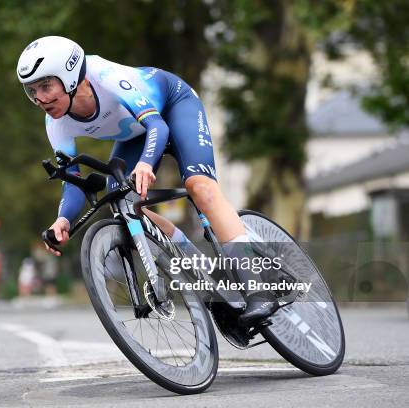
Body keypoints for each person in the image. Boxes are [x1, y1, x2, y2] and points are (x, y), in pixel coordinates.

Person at [16, 36, 278, 326]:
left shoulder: (106, 77)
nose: (39, 98)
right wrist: (63, 219)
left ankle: (259, 287)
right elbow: (73, 181)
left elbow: (157, 126)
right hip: (135, 135)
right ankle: (206, 278)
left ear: (69, 76)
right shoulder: (56, 123)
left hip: (172, 107)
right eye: (32, 91)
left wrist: (145, 164)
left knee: (199, 187)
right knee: (126, 205)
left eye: (45, 86)